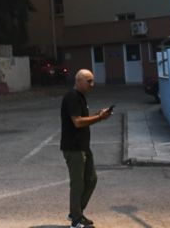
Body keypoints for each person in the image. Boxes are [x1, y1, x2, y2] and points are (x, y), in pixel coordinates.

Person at [60, 69, 113, 228]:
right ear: (78, 81)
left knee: (91, 179)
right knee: (78, 183)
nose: (92, 84)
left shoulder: (81, 97)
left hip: (83, 146)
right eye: (88, 81)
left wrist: (98, 114)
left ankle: (76, 212)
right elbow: (77, 122)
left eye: (92, 81)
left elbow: (83, 118)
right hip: (73, 147)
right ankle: (75, 220)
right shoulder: (72, 97)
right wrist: (99, 118)